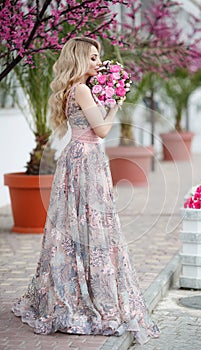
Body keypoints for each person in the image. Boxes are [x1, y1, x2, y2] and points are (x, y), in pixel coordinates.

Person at [11, 37, 160, 345]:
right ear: (80, 59)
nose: (97, 63)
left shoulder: (78, 89)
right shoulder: (81, 89)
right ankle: (86, 295)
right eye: (92, 57)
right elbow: (103, 131)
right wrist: (116, 103)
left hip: (81, 156)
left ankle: (82, 285)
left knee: (79, 225)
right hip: (85, 158)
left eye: (98, 57)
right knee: (91, 226)